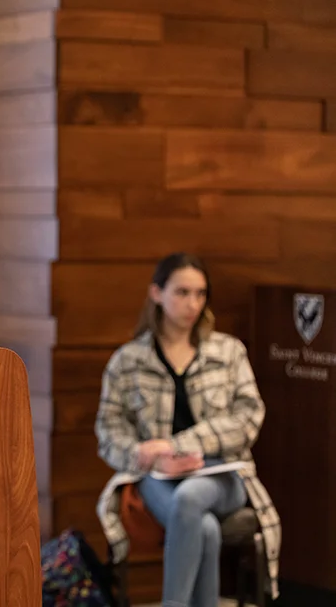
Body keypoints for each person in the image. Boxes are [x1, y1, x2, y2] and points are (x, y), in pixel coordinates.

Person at [94, 253, 281, 606]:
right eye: (181, 292)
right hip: (157, 475)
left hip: (222, 473)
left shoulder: (228, 352)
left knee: (192, 497)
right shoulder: (128, 361)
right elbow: (108, 430)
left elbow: (248, 417)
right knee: (204, 528)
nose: (192, 303)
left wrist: (174, 444)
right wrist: (144, 455)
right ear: (156, 293)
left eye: (200, 293)